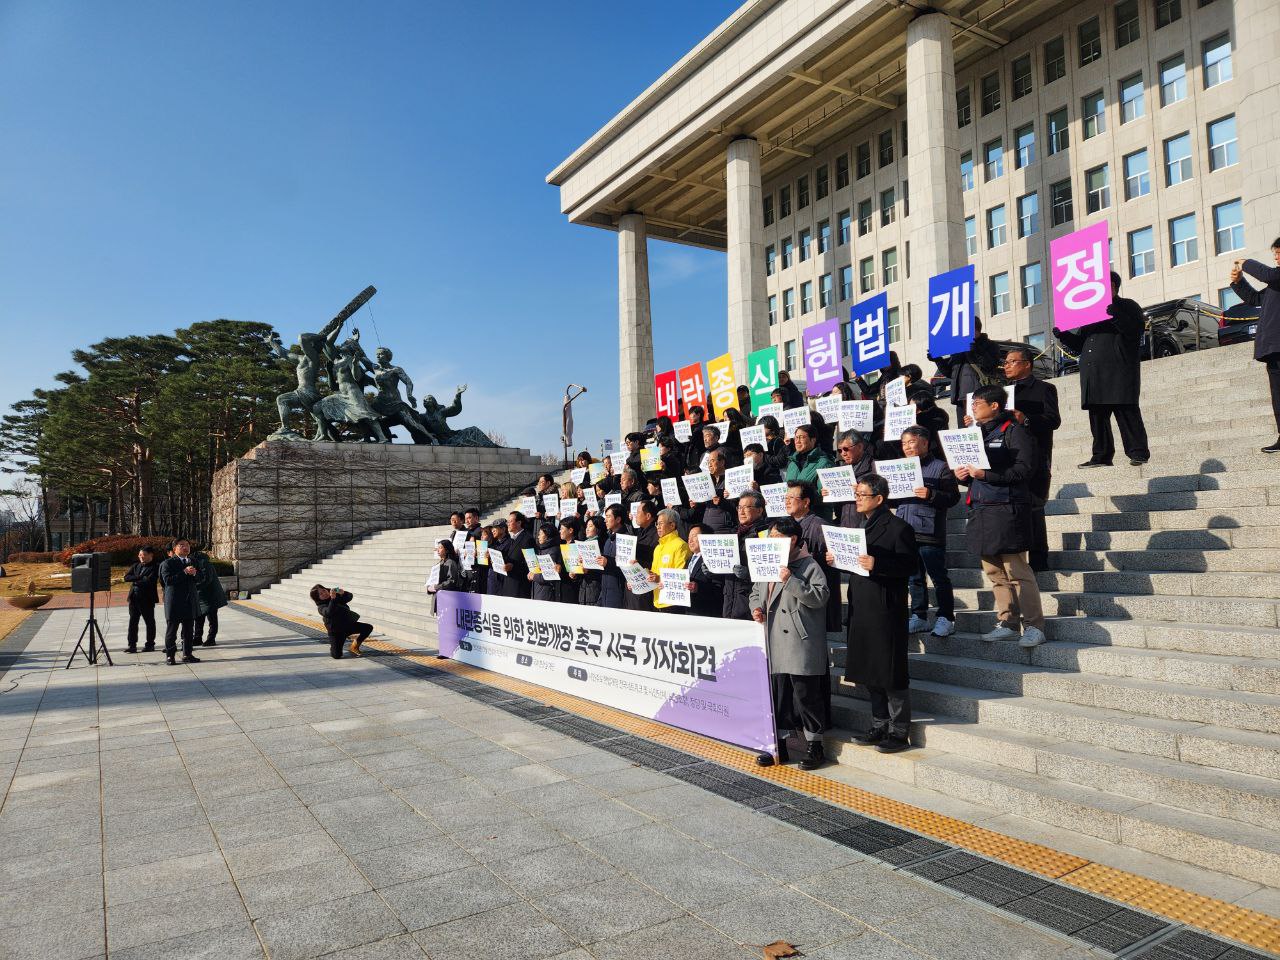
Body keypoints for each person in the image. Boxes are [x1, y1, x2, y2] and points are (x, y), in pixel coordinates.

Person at [955, 385, 1047, 648]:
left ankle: (1033, 626)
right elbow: (973, 475)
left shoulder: (1015, 431)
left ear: (995, 405)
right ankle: (1006, 621)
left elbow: (1023, 471)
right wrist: (962, 476)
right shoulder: (974, 434)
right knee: (994, 571)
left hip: (1007, 509)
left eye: (977, 403)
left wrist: (987, 475)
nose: (972, 407)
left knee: (1017, 571)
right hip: (981, 509)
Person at [838, 474, 919, 753]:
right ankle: (879, 724)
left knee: (891, 670)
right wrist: (839, 560)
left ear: (879, 498)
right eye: (857, 494)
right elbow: (858, 563)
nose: (857, 499)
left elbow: (909, 566)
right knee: (869, 669)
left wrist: (878, 563)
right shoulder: (860, 527)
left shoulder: (899, 528)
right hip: (861, 605)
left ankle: (899, 731)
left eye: (863, 495)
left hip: (885, 608)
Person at [751, 516, 831, 770]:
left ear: (792, 539)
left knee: (806, 695)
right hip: (773, 638)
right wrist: (755, 608)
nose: (771, 542)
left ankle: (815, 746)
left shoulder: (808, 565)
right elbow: (755, 592)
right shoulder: (767, 563)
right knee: (779, 696)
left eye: (776, 538)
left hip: (799, 640)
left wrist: (791, 580)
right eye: (770, 538)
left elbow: (820, 597)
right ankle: (781, 747)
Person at [1053, 272, 1150, 467]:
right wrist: (1064, 335)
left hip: (1119, 369)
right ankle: (1101, 456)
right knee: (1097, 416)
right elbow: (1080, 344)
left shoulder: (1127, 305)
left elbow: (1134, 331)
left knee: (1125, 410)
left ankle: (1138, 452)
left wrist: (1113, 312)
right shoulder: (1090, 312)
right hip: (1093, 372)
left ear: (1112, 285)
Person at [999, 346, 1061, 570]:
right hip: (1008, 456)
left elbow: (1053, 420)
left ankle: (1039, 561)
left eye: (1011, 362)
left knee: (1034, 506)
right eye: (1005, 362)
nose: (1006, 366)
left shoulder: (1044, 388)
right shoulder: (1002, 392)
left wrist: (1026, 419)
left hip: (1036, 455)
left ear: (1027, 364)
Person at [895, 426, 959, 637]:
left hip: (929, 530)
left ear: (925, 442)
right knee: (914, 578)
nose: (907, 447)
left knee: (938, 577)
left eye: (911, 442)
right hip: (906, 528)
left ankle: (946, 617)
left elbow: (953, 498)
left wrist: (931, 494)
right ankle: (919, 616)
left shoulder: (940, 467)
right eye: (904, 443)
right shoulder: (900, 467)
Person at [1230, 245, 1280, 452]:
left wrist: (1245, 262)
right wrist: (1238, 282)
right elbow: (1255, 299)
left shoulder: (1275, 277)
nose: (1276, 256)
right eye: (1275, 253)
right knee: (1277, 394)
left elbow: (1267, 274)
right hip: (1272, 347)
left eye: (1279, 252)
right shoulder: (1274, 283)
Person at [930, 318, 1001, 423]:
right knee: (966, 433)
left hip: (981, 398)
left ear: (975, 329)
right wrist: (938, 360)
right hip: (960, 398)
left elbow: (990, 365)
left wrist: (975, 349)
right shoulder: (958, 348)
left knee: (983, 430)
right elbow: (950, 373)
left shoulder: (990, 345)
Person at [723, 491, 771, 619]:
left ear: (760, 510)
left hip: (752, 601)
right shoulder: (733, 533)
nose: (741, 511)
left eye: (746, 507)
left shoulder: (766, 534)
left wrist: (748, 574)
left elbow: (771, 570)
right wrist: (711, 569)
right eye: (739, 507)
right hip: (729, 598)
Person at [159, 538, 200, 665]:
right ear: (174, 548)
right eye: (181, 545)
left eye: (187, 545)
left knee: (188, 630)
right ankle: (170, 656)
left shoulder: (193, 561)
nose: (185, 547)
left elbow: (201, 578)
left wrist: (194, 574)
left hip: (189, 601)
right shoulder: (168, 563)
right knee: (172, 630)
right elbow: (167, 581)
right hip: (174, 602)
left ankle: (187, 654)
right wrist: (184, 572)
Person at [310, 584, 373, 658]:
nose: (324, 593)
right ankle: (335, 647)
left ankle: (354, 646)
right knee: (337, 655)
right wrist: (333, 599)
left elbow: (349, 597)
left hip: (348, 626)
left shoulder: (335, 596)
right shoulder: (321, 607)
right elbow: (329, 612)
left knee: (368, 627)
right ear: (318, 598)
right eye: (321, 594)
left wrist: (343, 593)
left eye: (324, 590)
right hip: (336, 632)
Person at [786, 424, 835, 519]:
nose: (797, 441)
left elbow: (825, 495)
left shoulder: (823, 463)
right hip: (796, 517)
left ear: (813, 440)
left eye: (802, 437)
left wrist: (802, 498)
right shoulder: (792, 463)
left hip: (816, 517)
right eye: (796, 437)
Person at [647, 508, 692, 612]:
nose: (658, 527)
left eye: (661, 523)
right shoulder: (658, 548)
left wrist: (658, 578)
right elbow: (654, 574)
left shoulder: (681, 545)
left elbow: (681, 577)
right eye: (657, 524)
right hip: (657, 600)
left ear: (672, 525)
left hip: (673, 603)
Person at [123, 546, 159, 653]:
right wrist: (139, 578)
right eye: (140, 555)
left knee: (149, 622)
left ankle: (150, 644)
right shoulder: (136, 566)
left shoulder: (155, 567)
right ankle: (132, 645)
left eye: (143, 555)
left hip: (147, 599)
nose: (141, 557)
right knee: (133, 622)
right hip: (133, 598)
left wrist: (135, 579)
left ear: (150, 555)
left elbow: (149, 581)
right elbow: (126, 578)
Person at [192, 545, 228, 647]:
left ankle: (211, 638)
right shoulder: (195, 562)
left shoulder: (203, 563)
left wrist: (194, 587)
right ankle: (197, 638)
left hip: (211, 596)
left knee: (212, 618)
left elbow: (206, 579)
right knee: (198, 617)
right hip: (201, 596)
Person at [685, 523, 724, 617]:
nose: (690, 540)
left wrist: (699, 588)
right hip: (689, 611)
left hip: (705, 612)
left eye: (694, 536)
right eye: (689, 537)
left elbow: (719, 588)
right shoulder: (689, 559)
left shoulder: (714, 558)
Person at [596, 503, 629, 608]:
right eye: (605, 516)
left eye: (608, 516)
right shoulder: (608, 540)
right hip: (605, 592)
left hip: (619, 594)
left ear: (618, 519)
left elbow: (627, 567)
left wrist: (608, 562)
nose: (605, 520)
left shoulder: (626, 539)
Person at [577, 515, 607, 607]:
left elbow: (601, 568)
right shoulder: (584, 544)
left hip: (596, 587)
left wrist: (588, 569)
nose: (587, 529)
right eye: (586, 526)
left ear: (598, 528)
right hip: (584, 587)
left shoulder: (602, 544)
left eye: (590, 526)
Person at [427, 539, 463, 616]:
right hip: (439, 598)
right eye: (437, 548)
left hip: (447, 599)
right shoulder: (440, 563)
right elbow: (434, 579)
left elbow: (451, 581)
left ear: (446, 550)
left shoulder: (450, 563)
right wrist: (429, 587)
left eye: (440, 548)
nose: (438, 550)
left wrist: (436, 587)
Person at [529, 523, 563, 603]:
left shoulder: (553, 551)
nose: (538, 537)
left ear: (548, 535)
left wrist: (534, 576)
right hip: (537, 590)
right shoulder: (541, 549)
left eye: (540, 534)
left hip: (547, 593)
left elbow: (550, 574)